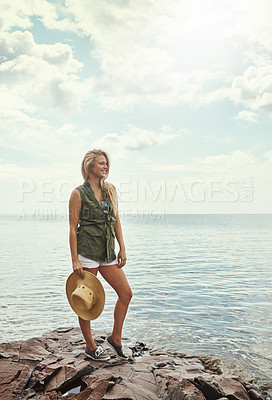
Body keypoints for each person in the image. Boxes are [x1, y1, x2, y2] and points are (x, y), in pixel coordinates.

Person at [69, 149, 133, 361]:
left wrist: (122, 247)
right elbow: (72, 228)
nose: (105, 167)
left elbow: (116, 221)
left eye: (106, 163)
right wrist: (75, 259)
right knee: (85, 301)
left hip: (108, 252)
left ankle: (116, 339)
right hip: (87, 252)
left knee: (126, 294)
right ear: (90, 166)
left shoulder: (110, 190)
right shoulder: (78, 193)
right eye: (101, 163)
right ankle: (90, 345)